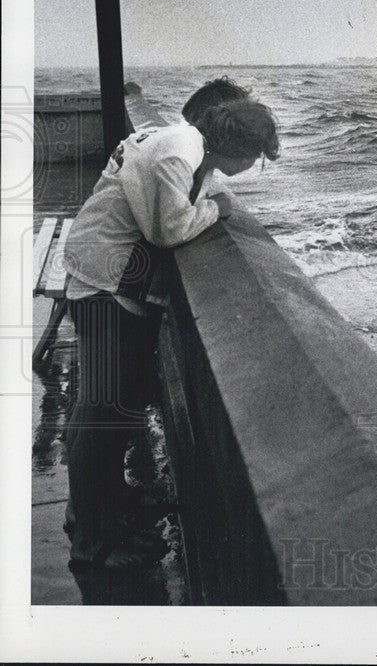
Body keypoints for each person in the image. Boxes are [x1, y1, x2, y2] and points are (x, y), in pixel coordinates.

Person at [62, 80, 279, 569]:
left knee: (114, 408)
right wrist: (215, 208)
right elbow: (169, 230)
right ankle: (93, 543)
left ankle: (105, 506)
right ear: (239, 150)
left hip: (108, 275)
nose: (253, 169)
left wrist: (206, 194)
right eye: (258, 158)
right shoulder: (175, 154)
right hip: (104, 281)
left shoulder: (184, 143)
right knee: (101, 417)